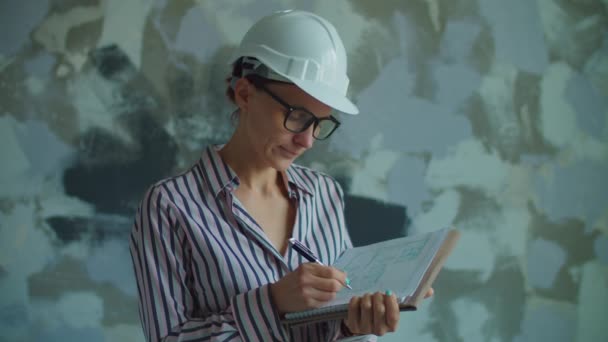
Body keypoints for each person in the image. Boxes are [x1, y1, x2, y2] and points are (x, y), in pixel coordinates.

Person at [129, 9, 432, 341]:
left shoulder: (323, 193)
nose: (307, 140)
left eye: (319, 123)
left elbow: (333, 321)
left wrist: (353, 325)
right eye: (297, 116)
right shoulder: (169, 206)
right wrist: (271, 303)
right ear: (245, 93)